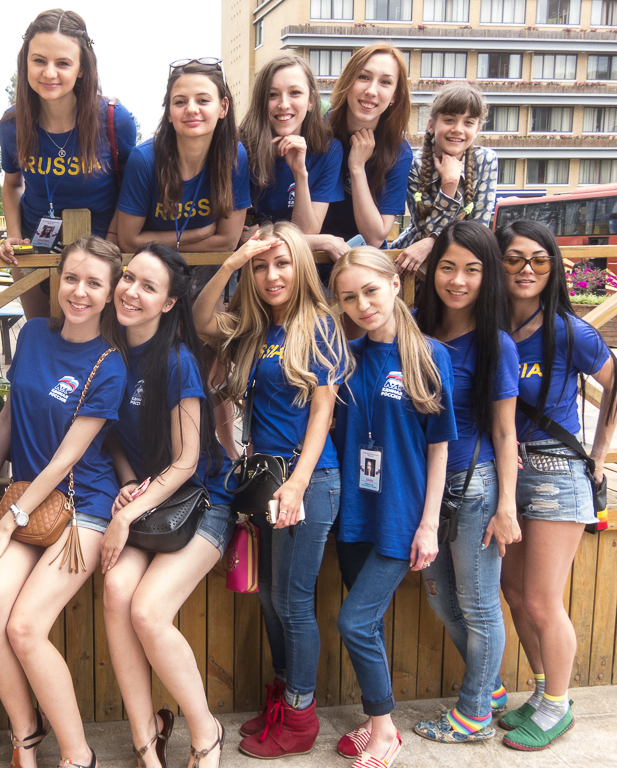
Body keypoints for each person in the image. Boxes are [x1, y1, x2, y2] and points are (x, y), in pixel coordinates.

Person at [193, 222, 349, 759]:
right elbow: (200, 318)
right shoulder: (254, 329)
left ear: (301, 266)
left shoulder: (319, 324)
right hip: (265, 482)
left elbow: (323, 412)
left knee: (293, 601)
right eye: (261, 266)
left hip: (308, 480)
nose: (271, 275)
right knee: (268, 598)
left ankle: (301, 716)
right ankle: (284, 694)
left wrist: (299, 484)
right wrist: (233, 264)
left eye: (281, 263)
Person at [0, 236, 126, 768]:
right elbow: (10, 419)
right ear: (57, 281)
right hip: (31, 503)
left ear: (109, 295)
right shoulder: (33, 335)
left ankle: (78, 754)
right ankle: (26, 736)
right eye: (71, 278)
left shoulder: (110, 363)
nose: (79, 292)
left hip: (83, 505)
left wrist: (6, 522)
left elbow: (66, 459)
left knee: (25, 626)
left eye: (94, 284)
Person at [101, 243, 233, 768]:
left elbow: (186, 460)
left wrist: (124, 515)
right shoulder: (108, 353)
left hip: (202, 502)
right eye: (128, 277)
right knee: (115, 590)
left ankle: (205, 732)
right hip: (151, 503)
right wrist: (129, 486)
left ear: (169, 304)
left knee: (149, 612)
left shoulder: (177, 361)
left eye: (148, 287)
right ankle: (147, 738)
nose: (131, 291)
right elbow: (109, 438)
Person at [329, 246, 456, 768]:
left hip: (401, 516)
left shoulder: (428, 354)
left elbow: (439, 444)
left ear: (395, 286)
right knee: (372, 624)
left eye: (370, 291)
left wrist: (428, 524)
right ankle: (373, 717)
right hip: (355, 513)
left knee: (354, 623)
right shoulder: (344, 357)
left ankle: (385, 732)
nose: (362, 304)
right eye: (349, 297)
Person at [496, 220, 617, 751]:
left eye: (539, 261)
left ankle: (557, 707)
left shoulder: (569, 329)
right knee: (515, 592)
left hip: (554, 473)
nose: (526, 270)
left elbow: (613, 382)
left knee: (543, 600)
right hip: (507, 472)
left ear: (553, 269)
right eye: (515, 259)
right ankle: (545, 691)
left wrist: (598, 453)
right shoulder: (489, 325)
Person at [411, 221, 521, 743]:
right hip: (421, 486)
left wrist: (508, 508)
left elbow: (504, 431)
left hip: (474, 486)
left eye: (472, 270)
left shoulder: (496, 343)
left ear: (487, 276)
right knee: (440, 599)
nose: (458, 280)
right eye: (448, 267)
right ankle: (492, 688)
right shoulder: (412, 327)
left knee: (478, 605)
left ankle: (474, 712)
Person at [0, 8, 136, 320]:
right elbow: (12, 183)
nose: (49, 73)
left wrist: (110, 242)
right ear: (25, 63)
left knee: (100, 343)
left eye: (63, 63)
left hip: (100, 254)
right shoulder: (13, 125)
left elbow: (130, 189)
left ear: (82, 68)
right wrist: (14, 236)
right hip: (36, 251)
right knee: (41, 336)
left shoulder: (114, 120)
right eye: (39, 60)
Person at [117, 59, 249, 259]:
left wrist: (162, 244)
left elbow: (228, 241)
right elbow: (128, 241)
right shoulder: (144, 159)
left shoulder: (234, 156)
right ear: (169, 112)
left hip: (209, 272)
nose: (191, 109)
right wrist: (201, 233)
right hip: (153, 271)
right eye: (180, 101)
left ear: (223, 107)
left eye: (203, 100)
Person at [239, 53, 344, 257]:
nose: (284, 104)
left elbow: (305, 233)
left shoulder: (329, 150)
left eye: (295, 93)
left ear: (311, 100)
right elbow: (245, 236)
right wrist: (324, 241)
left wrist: (300, 173)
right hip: (253, 266)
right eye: (272, 95)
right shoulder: (241, 149)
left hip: (302, 267)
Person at [392, 83, 497, 275]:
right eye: (449, 120)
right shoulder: (414, 164)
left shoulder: (486, 160)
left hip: (462, 262)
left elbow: (478, 231)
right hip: (415, 265)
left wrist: (432, 240)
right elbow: (423, 231)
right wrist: (449, 186)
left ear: (477, 129)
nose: (458, 129)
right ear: (431, 124)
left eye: (468, 122)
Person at [323, 43, 412, 250]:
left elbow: (375, 238)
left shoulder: (398, 151)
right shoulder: (317, 132)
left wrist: (357, 168)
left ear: (394, 96)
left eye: (385, 82)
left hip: (362, 265)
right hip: (309, 259)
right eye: (363, 77)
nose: (371, 91)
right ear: (348, 82)